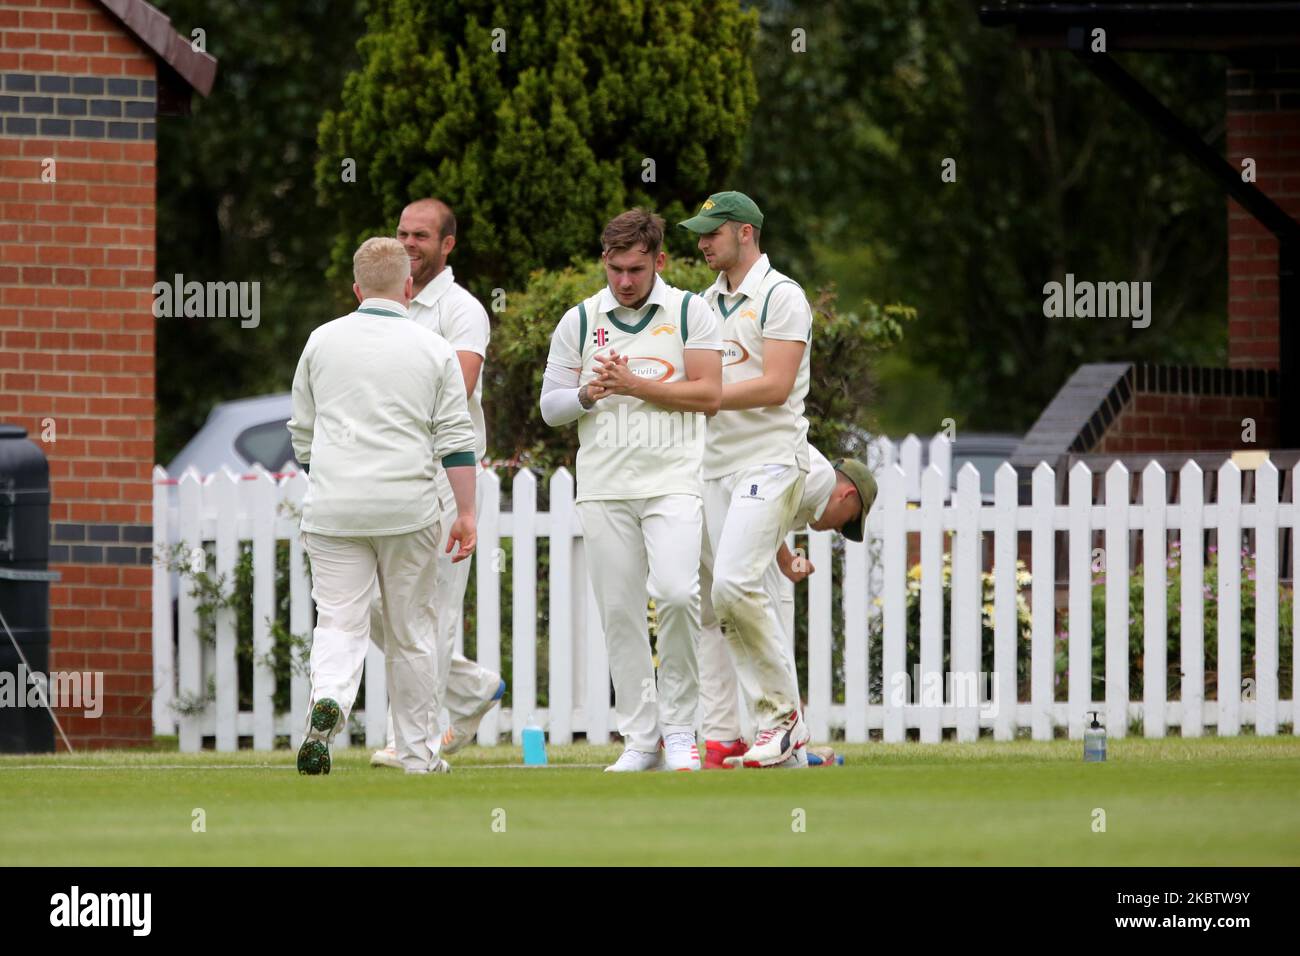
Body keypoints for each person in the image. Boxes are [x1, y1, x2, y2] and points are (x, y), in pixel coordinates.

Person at [288, 236, 478, 775]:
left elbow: (302, 431)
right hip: (407, 508)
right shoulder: (433, 347)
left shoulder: (320, 341)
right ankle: (418, 754)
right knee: (411, 632)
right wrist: (465, 514)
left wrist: (327, 477)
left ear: (356, 289)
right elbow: (456, 439)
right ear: (408, 286)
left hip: (334, 508)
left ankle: (329, 701)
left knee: (339, 622)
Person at [541, 208, 722, 772]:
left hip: (672, 482)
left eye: (636, 270)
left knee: (674, 594)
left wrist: (634, 384)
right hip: (603, 488)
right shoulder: (578, 320)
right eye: (615, 268)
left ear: (659, 262)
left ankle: (681, 733)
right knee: (620, 613)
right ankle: (642, 741)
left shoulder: (692, 312)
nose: (623, 280)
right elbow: (551, 407)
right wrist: (590, 396)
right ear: (604, 261)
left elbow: (709, 394)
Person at [678, 190, 816, 767]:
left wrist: (702, 397)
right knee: (722, 600)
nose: (703, 242)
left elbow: (776, 385)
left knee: (734, 584)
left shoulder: (782, 296)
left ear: (745, 233)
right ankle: (765, 730)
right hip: (714, 465)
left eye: (713, 231)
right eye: (700, 233)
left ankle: (786, 720)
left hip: (771, 458)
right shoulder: (704, 303)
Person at [368, 198, 504, 770]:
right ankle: (471, 688)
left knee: (432, 609)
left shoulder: (462, 309)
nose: (408, 245)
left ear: (448, 245)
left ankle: (415, 738)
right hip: (395, 469)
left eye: (420, 236)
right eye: (402, 234)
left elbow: (458, 387)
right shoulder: (386, 305)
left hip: (450, 474)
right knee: (380, 605)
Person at [698, 442, 877, 768]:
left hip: (707, 504)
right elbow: (761, 502)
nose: (838, 529)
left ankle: (721, 741)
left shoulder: (809, 482)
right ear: (847, 494)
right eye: (846, 521)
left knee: (712, 622)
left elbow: (757, 512)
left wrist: (785, 560)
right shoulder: (817, 477)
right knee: (769, 612)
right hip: (714, 497)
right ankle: (789, 743)